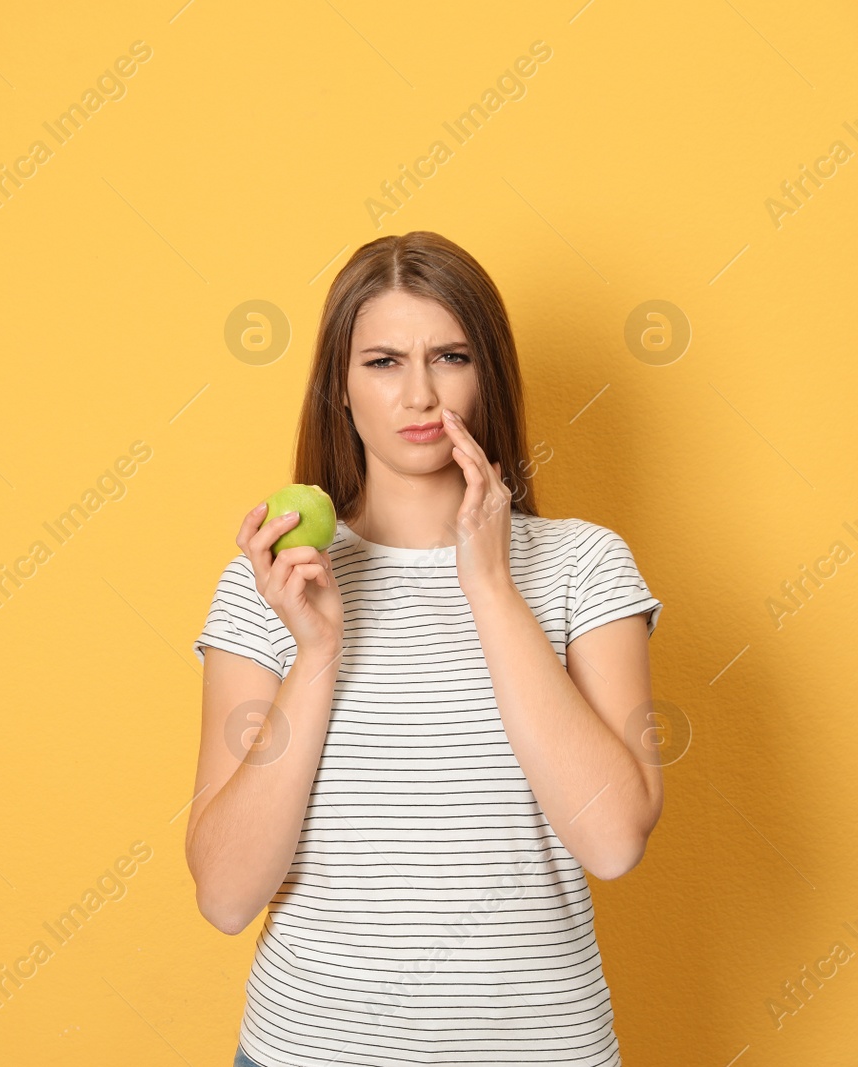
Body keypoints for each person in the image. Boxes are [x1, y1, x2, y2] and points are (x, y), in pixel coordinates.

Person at [187, 231, 664, 1067]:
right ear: (339, 386)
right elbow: (226, 897)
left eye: (448, 356)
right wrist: (319, 653)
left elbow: (615, 839)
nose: (418, 393)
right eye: (381, 361)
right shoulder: (273, 583)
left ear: (487, 377)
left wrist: (488, 587)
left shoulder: (582, 564)